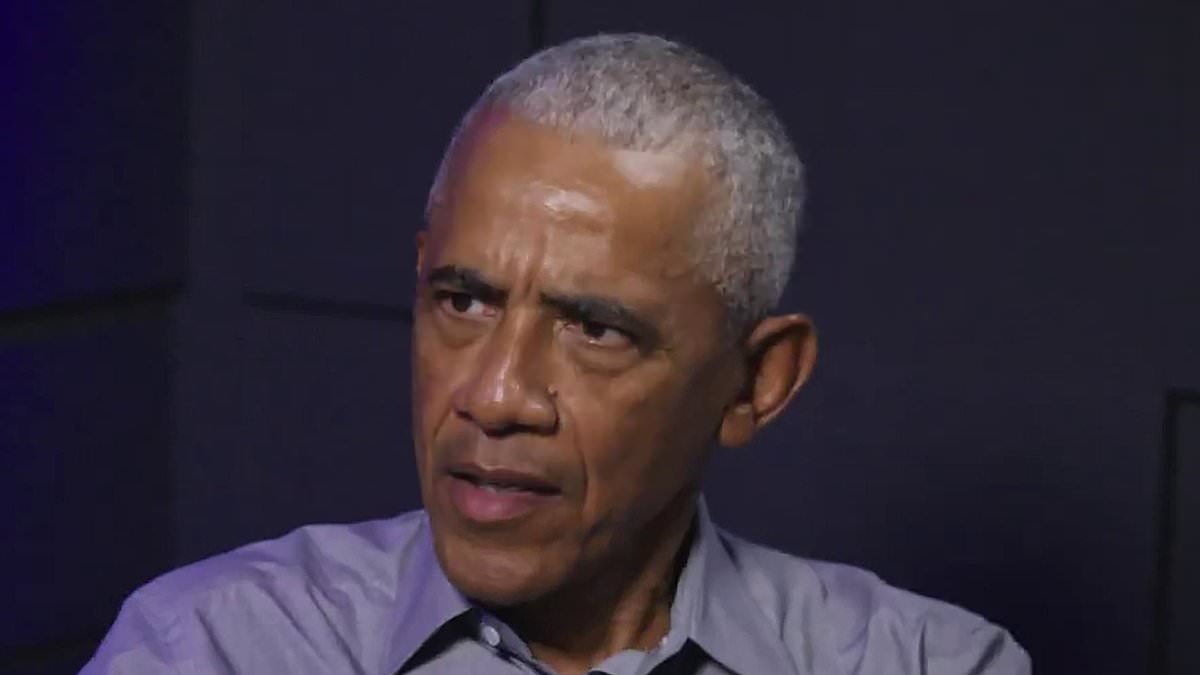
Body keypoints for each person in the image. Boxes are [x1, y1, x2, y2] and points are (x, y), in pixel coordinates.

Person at [83, 33, 1030, 675]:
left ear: (755, 382)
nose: (495, 395)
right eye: (462, 300)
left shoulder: (926, 663)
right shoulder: (211, 650)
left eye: (595, 328)